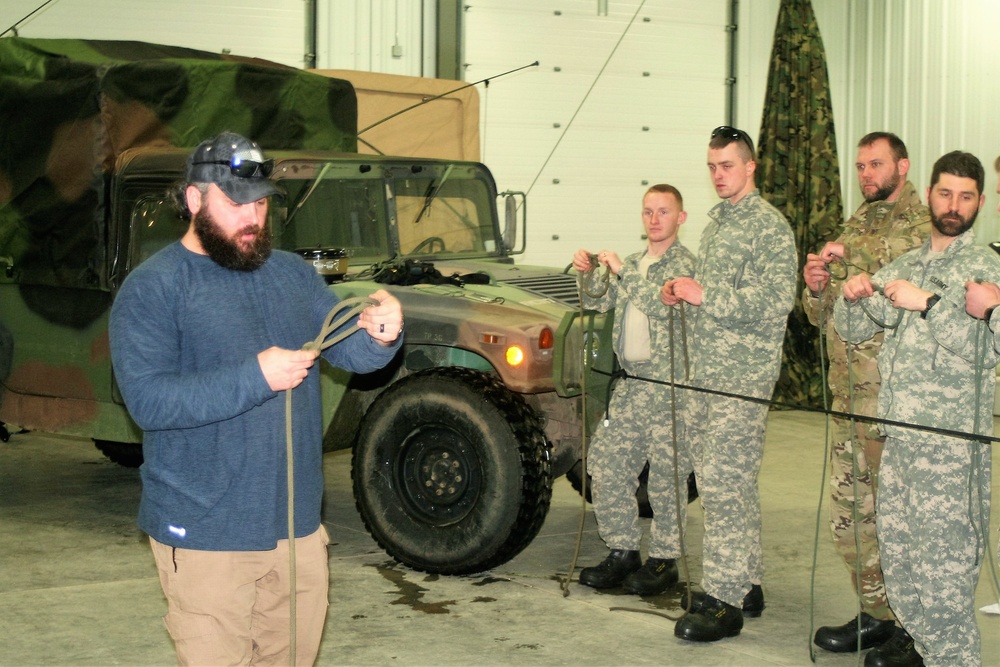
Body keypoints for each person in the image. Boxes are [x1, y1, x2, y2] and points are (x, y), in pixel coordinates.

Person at [108, 132, 404, 666]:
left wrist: (381, 335)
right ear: (195, 200)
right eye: (236, 202)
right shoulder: (153, 289)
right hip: (204, 534)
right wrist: (257, 376)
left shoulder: (291, 275)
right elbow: (149, 402)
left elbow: (355, 355)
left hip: (295, 531)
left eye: (261, 202)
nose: (253, 217)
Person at [834, 151, 999, 667]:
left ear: (980, 202)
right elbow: (853, 327)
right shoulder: (907, 264)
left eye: (966, 196)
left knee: (944, 584)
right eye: (945, 193)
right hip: (901, 443)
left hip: (949, 450)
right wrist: (854, 294)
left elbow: (987, 346)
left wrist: (928, 304)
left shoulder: (987, 268)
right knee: (902, 571)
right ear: (928, 194)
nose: (954, 205)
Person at [660, 126, 797, 642]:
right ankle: (745, 583)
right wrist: (684, 294)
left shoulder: (769, 226)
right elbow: (713, 296)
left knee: (721, 485)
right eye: (713, 166)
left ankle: (722, 601)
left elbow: (776, 300)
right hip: (709, 373)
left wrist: (705, 295)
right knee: (732, 482)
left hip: (741, 378)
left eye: (728, 166)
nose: (719, 175)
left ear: (750, 166)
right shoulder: (719, 223)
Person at [801, 132, 930, 655]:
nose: (866, 174)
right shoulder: (859, 222)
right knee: (851, 522)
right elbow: (822, 315)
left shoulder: (922, 225)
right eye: (859, 166)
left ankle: (913, 627)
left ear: (902, 165)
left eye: (875, 164)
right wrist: (814, 286)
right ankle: (878, 613)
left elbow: (898, 271)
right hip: (848, 398)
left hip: (892, 406)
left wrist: (845, 256)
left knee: (900, 521)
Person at [571, 184, 696, 595]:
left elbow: (661, 306)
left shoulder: (688, 267)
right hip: (632, 385)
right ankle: (623, 550)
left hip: (671, 388)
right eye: (648, 211)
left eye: (663, 211)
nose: (654, 219)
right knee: (606, 466)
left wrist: (623, 271)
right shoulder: (637, 262)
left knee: (666, 478)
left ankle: (664, 561)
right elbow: (599, 303)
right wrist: (588, 273)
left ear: (681, 218)